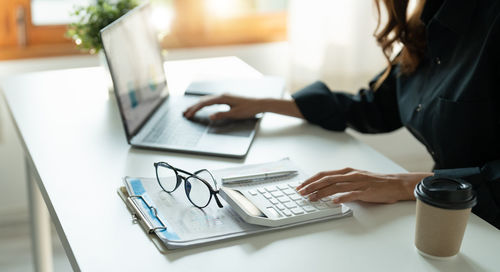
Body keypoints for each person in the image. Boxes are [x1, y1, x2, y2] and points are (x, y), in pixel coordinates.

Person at [183, 0, 500, 229]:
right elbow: (375, 107)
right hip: (446, 219)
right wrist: (264, 104)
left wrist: (410, 184)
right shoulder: (429, 20)